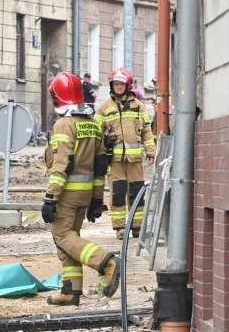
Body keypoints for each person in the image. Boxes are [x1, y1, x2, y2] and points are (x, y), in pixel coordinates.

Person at [42, 71, 119, 306]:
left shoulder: (64, 125)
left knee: (63, 236)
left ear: (58, 97)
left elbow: (60, 164)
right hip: (85, 194)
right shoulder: (93, 125)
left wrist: (50, 198)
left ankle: (106, 262)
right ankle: (71, 290)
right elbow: (100, 167)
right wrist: (96, 200)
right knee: (70, 238)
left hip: (65, 193)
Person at [94, 67, 156, 239]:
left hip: (135, 160)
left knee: (137, 194)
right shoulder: (104, 108)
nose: (118, 87)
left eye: (121, 84)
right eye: (116, 84)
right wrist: (98, 155)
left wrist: (150, 151)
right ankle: (120, 228)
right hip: (114, 160)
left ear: (127, 85)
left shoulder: (139, 107)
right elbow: (96, 134)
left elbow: (146, 132)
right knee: (118, 194)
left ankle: (136, 228)